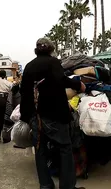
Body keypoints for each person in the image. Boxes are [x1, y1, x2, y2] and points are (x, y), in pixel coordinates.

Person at [19, 38, 86, 189]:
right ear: (51, 49)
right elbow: (61, 80)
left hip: (35, 116)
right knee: (64, 148)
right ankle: (67, 186)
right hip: (54, 114)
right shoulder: (53, 62)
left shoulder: (29, 66)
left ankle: (46, 185)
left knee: (40, 150)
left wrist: (27, 116)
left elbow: (24, 91)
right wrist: (78, 84)